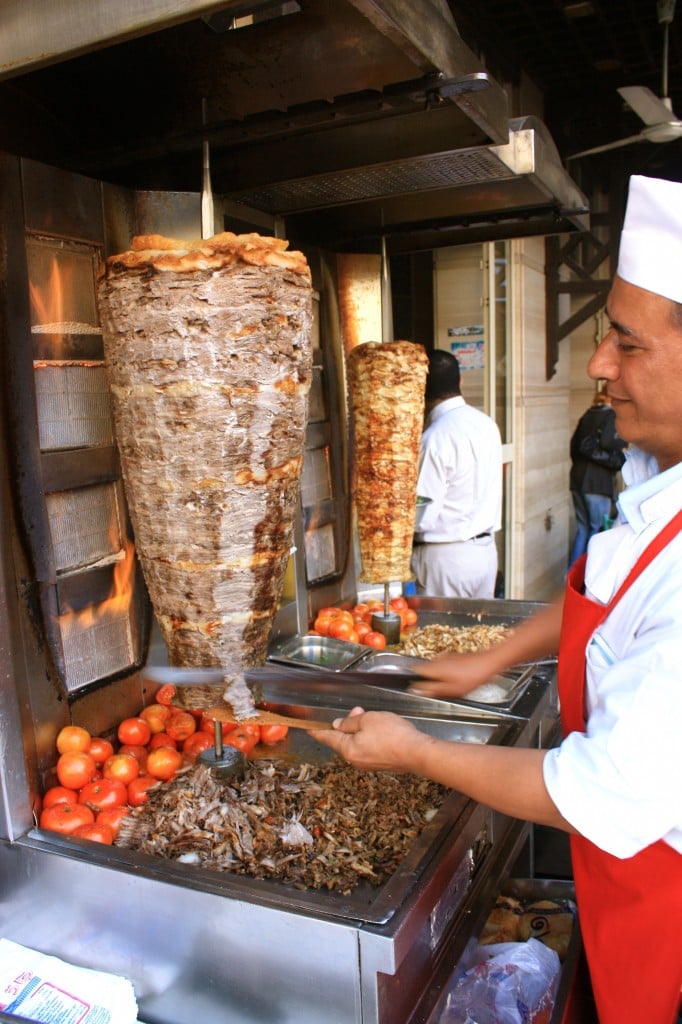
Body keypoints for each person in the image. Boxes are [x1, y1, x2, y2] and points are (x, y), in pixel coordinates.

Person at [317, 174, 682, 1024]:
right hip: (623, 886)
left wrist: (415, 751)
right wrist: (489, 656)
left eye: (625, 344)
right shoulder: (656, 487)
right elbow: (608, 596)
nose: (598, 365)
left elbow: (596, 790)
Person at [410, 349, 502, 598]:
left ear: (420, 390)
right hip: (485, 554)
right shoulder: (487, 424)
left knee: (439, 635)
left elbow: (422, 515)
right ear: (460, 381)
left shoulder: (434, 438)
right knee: (481, 636)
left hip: (445, 559)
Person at [568, 391, 626, 567]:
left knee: (583, 530)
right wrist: (619, 456)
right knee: (598, 531)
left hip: (578, 481)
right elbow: (608, 442)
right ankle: (589, 577)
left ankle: (571, 575)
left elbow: (574, 447)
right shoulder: (609, 415)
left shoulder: (587, 415)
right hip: (598, 484)